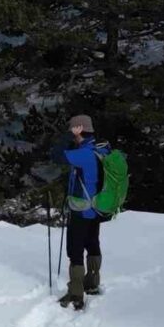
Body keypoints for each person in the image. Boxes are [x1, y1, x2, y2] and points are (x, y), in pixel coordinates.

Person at [51, 114, 104, 310]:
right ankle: (92, 282)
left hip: (81, 209)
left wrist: (66, 138)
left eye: (73, 130)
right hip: (97, 207)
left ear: (79, 129)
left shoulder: (83, 154)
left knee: (75, 250)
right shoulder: (100, 149)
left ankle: (75, 293)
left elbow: (56, 155)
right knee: (92, 243)